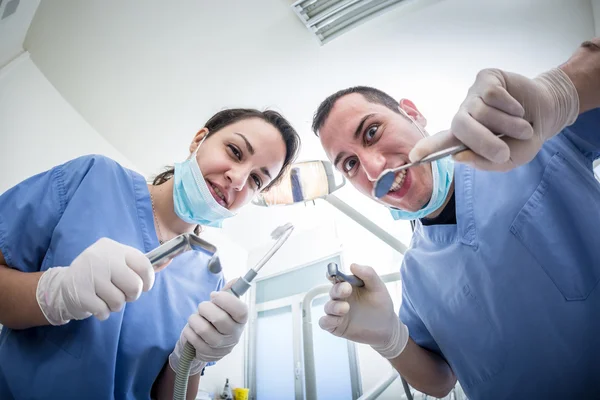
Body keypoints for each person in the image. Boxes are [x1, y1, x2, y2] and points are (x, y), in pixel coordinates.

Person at [314, 37, 600, 399]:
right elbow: (440, 381)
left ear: (412, 113)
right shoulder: (416, 276)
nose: (372, 169)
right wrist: (389, 338)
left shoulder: (530, 140)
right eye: (350, 164)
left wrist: (561, 91)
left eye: (372, 132)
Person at [0, 108, 301, 399]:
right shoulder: (93, 178)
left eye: (256, 180)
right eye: (235, 151)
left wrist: (190, 358)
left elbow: (170, 396)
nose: (237, 179)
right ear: (199, 140)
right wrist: (57, 293)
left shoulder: (209, 276)